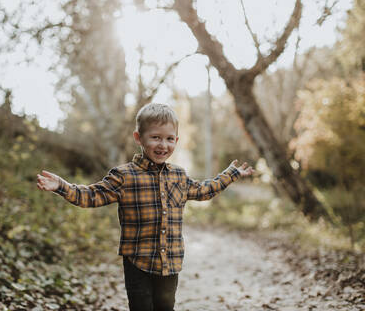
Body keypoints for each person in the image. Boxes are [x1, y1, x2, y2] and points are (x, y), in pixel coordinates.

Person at [36, 103, 255, 311]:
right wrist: (61, 186)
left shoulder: (178, 175)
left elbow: (204, 190)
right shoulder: (124, 175)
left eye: (170, 139)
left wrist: (230, 174)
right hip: (137, 262)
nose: (163, 145)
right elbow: (91, 196)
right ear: (139, 138)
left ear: (177, 140)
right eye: (156, 137)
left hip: (170, 262)